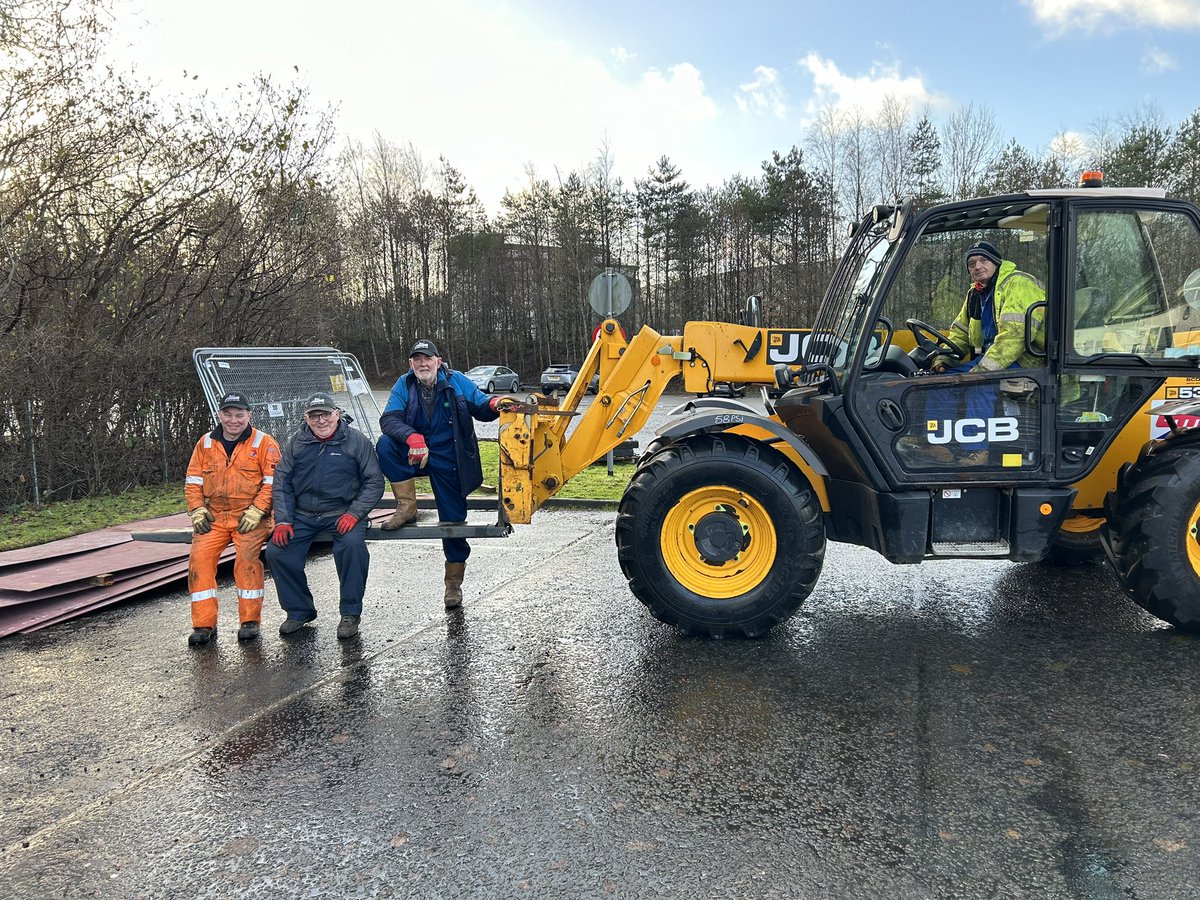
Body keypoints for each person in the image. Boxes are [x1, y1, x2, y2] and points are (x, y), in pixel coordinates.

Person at [376, 339, 514, 609]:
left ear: (438, 361)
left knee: (453, 521)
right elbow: (389, 420)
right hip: (417, 452)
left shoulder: (457, 381)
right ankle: (407, 507)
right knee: (385, 444)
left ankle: (453, 584)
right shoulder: (404, 385)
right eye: (417, 359)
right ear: (410, 364)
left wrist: (498, 402)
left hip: (450, 458)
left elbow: (481, 407)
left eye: (427, 358)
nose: (422, 363)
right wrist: (412, 436)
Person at [265, 393, 384, 640]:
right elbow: (282, 481)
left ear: (337, 414)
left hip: (343, 513)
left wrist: (355, 513)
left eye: (326, 414)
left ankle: (350, 613)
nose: (321, 421)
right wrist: (284, 519)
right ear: (306, 418)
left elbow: (374, 481)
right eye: (314, 416)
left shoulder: (356, 441)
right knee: (277, 552)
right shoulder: (296, 442)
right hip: (303, 514)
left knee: (352, 548)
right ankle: (299, 611)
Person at [926, 240, 1046, 463]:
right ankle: (938, 445)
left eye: (983, 260)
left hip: (1027, 360)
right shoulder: (975, 294)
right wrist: (943, 359)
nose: (977, 266)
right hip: (993, 357)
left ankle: (977, 450)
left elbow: (1015, 336)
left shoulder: (1017, 284)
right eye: (971, 263)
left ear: (996, 263)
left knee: (979, 385)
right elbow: (960, 334)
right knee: (938, 382)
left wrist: (982, 371)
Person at [184, 392, 281, 646]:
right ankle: (204, 624)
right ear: (219, 414)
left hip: (251, 516)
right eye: (228, 414)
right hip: (214, 515)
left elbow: (272, 483)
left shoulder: (264, 443)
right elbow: (193, 481)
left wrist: (258, 510)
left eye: (239, 415)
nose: (233, 420)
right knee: (199, 561)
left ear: (249, 415)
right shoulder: (204, 444)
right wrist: (196, 509)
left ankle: (250, 621)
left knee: (247, 559)